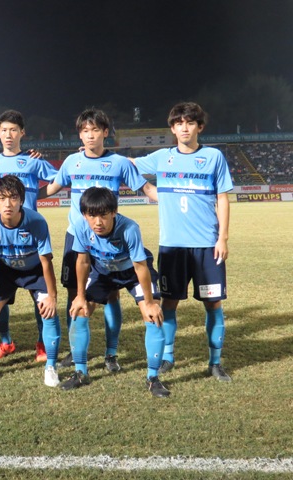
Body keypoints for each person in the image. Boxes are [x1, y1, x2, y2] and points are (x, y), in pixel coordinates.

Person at [44, 108, 156, 372]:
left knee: (111, 293)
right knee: (76, 293)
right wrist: (20, 196)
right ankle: (76, 352)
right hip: (77, 237)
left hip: (107, 238)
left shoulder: (119, 163)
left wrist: (172, 200)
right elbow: (51, 188)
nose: (90, 135)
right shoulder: (71, 161)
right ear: (80, 135)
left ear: (105, 132)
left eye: (95, 130)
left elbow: (146, 188)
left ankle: (111, 353)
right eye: (85, 131)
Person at [131, 101, 233, 382]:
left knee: (213, 303)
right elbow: (127, 164)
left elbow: (222, 198)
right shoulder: (161, 158)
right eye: (179, 123)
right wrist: (92, 153)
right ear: (173, 129)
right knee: (169, 303)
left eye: (189, 123)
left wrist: (222, 238)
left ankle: (215, 362)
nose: (184, 128)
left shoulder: (213, 157)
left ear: (200, 127)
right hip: (172, 247)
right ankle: (168, 357)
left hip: (207, 246)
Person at [64, 187, 169, 397]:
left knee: (152, 316)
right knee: (79, 311)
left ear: (114, 212)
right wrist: (80, 296)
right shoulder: (80, 227)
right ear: (84, 215)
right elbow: (83, 262)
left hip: (132, 272)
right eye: (92, 216)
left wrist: (149, 302)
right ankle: (81, 372)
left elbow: (140, 266)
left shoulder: (129, 228)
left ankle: (153, 378)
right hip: (103, 271)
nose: (98, 222)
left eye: (103, 215)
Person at [0, 109, 58, 363]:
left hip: (29, 236)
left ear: (22, 133)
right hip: (1, 240)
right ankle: (6, 341)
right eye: (4, 130)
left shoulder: (33, 161)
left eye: (13, 130)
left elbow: (58, 180)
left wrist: (36, 196)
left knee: (40, 297)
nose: (8, 134)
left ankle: (42, 343)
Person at [0, 175, 61, 387]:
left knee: (49, 312)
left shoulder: (37, 222)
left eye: (13, 198)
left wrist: (52, 296)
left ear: (21, 200)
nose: (8, 204)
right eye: (2, 198)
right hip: (5, 271)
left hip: (34, 271)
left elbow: (46, 262)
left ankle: (51, 367)